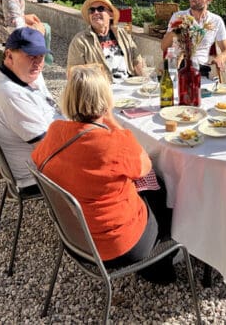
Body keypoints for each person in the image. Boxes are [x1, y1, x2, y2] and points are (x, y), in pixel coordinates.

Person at [31, 67, 175, 283]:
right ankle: (159, 267)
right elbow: (145, 166)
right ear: (107, 99)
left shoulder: (55, 131)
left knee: (142, 188)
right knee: (160, 189)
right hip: (116, 247)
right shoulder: (112, 142)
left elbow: (38, 160)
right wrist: (114, 122)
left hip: (75, 239)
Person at [0, 27, 64, 192]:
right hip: (34, 175)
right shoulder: (10, 93)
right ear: (9, 55)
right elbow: (48, 148)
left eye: (41, 56)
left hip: (29, 160)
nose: (38, 62)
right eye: (31, 56)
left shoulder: (7, 75)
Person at [161, 0, 226, 78]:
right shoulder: (178, 17)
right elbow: (164, 46)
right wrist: (175, 31)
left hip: (201, 70)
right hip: (178, 68)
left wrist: (221, 58)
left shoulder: (216, 21)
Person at [67, 0, 143, 82]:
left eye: (100, 9)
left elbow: (137, 61)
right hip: (100, 90)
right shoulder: (80, 41)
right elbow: (73, 73)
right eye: (91, 10)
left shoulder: (122, 34)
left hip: (128, 85)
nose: (95, 12)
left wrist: (145, 84)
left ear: (111, 15)